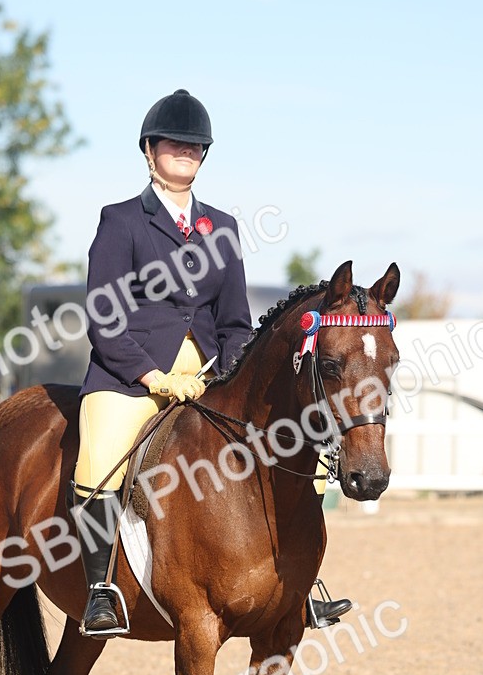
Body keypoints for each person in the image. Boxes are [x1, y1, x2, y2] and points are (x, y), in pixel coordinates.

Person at [70, 88, 351, 637]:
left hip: (207, 377)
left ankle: (301, 583)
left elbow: (234, 320)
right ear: (149, 151)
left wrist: (225, 373)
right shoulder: (121, 221)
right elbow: (104, 317)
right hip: (130, 376)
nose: (186, 154)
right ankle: (101, 589)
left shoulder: (220, 227)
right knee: (98, 459)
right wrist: (153, 375)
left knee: (303, 453)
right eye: (175, 145)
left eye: (196, 148)